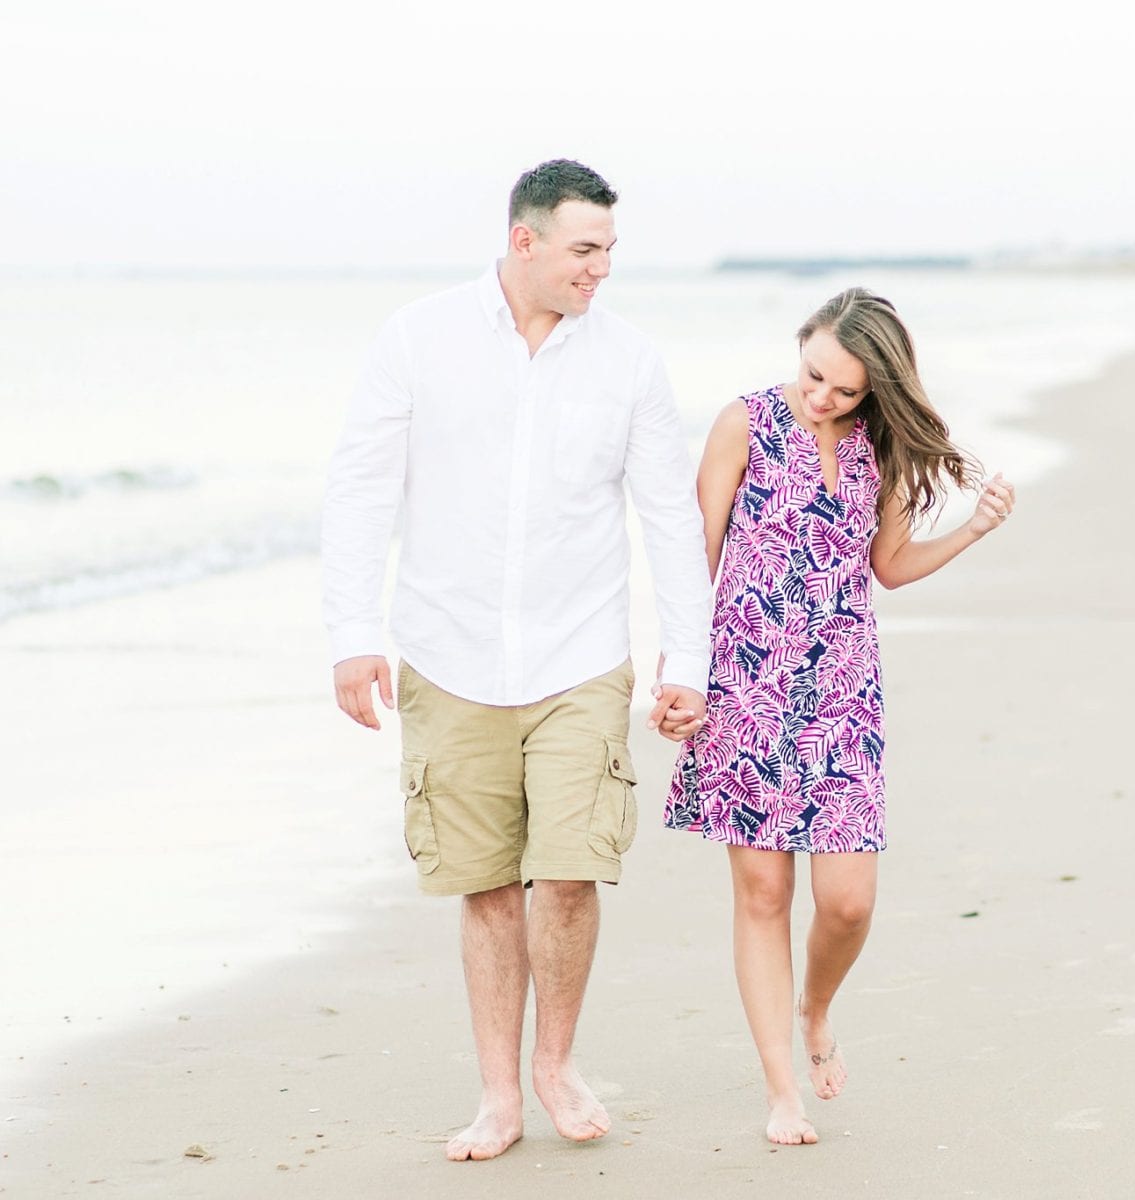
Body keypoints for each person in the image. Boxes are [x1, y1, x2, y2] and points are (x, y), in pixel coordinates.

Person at [320, 159, 711, 1162]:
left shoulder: (628, 361)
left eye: (611, 251)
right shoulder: (419, 338)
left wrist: (687, 660)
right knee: (487, 887)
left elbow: (669, 515)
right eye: (586, 250)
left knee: (572, 875)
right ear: (524, 241)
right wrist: (351, 633)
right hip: (447, 657)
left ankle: (556, 1062)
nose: (602, 270)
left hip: (581, 657)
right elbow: (363, 491)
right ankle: (499, 1095)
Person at [662, 287, 1017, 1144]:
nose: (822, 397)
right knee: (762, 890)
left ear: (876, 391)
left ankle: (815, 1006)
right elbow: (692, 557)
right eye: (814, 374)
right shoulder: (742, 423)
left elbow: (888, 566)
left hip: (842, 692)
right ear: (803, 347)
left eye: (844, 390)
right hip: (744, 684)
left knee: (849, 902)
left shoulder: (881, 452)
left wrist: (972, 530)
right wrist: (682, 676)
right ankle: (781, 1088)